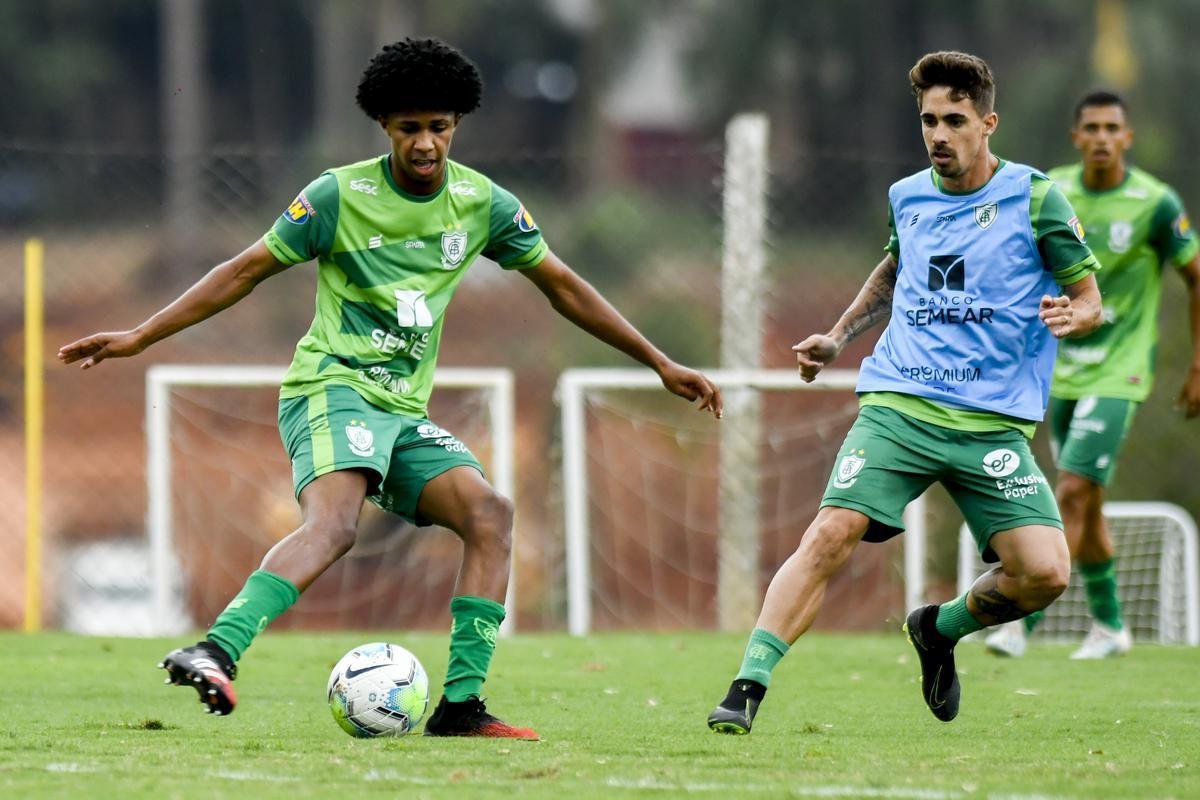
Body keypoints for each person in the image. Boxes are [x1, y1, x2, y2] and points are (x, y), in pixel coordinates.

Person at [60, 38, 722, 740]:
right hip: (331, 387)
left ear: (457, 123)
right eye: (410, 128)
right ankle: (215, 648)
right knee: (336, 525)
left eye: (439, 126)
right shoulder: (338, 196)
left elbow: (563, 286)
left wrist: (658, 361)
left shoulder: (483, 204)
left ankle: (461, 707)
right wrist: (141, 335)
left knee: (490, 514)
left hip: (401, 412)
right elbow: (244, 269)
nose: (427, 142)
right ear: (385, 127)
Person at [706, 51, 1103, 733]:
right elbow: (894, 269)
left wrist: (1078, 313)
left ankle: (938, 629)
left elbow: (1089, 296)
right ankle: (747, 686)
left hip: (993, 424)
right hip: (900, 403)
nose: (938, 135)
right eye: (928, 120)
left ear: (988, 123)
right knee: (833, 530)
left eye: (954, 120)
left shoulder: (1037, 198)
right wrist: (837, 335)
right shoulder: (907, 196)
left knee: (1044, 575)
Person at [984, 91, 1200, 660]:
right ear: (1076, 137)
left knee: (1073, 489)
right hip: (1060, 369)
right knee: (1089, 499)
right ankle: (1110, 624)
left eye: (1113, 128)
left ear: (1127, 137)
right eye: (1092, 128)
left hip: (1120, 372)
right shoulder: (1049, 190)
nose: (1102, 137)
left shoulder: (1155, 202)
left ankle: (1019, 621)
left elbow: (1196, 275)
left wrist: (1199, 363)